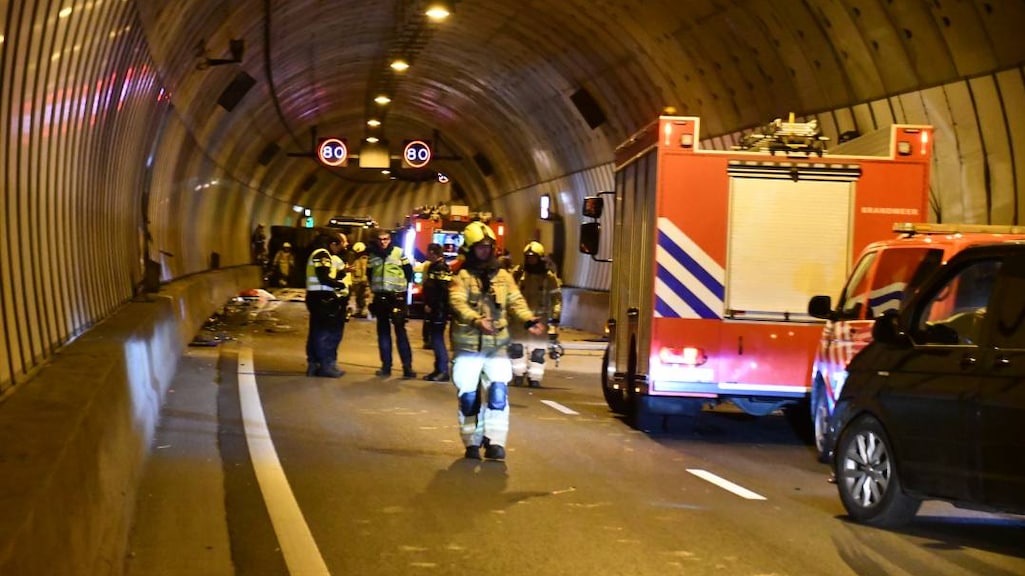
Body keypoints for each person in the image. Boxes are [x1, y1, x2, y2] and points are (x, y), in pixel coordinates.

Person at [449, 221, 544, 460]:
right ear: (470, 249)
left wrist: (528, 320)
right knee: (469, 396)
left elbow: (516, 301)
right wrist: (475, 320)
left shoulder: (503, 276)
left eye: (488, 246)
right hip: (468, 347)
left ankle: (495, 441)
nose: (485, 250)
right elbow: (457, 302)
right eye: (480, 247)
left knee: (498, 393)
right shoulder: (461, 276)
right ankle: (471, 441)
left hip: (497, 346)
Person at [510, 241, 562, 387]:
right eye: (528, 257)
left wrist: (555, 318)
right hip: (519, 321)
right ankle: (518, 375)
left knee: (538, 352)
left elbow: (556, 298)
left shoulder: (549, 278)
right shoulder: (518, 274)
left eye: (533, 257)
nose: (530, 260)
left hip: (541, 321)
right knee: (517, 349)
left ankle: (535, 377)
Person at [367, 229, 416, 378]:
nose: (383, 242)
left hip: (397, 298)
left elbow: (409, 273)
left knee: (401, 333)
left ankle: (407, 368)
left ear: (390, 239)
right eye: (380, 239)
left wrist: (402, 293)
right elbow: (369, 274)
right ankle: (386, 367)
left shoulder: (399, 253)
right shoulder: (372, 255)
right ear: (376, 240)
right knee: (383, 334)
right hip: (381, 298)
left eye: (386, 239)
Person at [304, 232, 349, 378]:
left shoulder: (320, 254)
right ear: (333, 244)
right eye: (339, 246)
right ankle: (325, 366)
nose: (340, 250)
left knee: (316, 331)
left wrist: (341, 273)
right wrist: (339, 285)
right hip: (321, 297)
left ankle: (313, 364)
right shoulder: (322, 254)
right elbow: (323, 277)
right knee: (324, 333)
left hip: (317, 297)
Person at [422, 243, 452, 382]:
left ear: (433, 253)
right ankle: (437, 369)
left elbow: (442, 291)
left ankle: (443, 370)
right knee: (434, 339)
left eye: (428, 252)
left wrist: (434, 306)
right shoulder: (435, 267)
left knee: (438, 339)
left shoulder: (440, 268)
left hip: (439, 310)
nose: (426, 255)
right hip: (435, 309)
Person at [349, 241, 370, 317]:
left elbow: (364, 270)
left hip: (361, 281)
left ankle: (362, 311)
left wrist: (364, 280)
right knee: (359, 297)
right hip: (357, 281)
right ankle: (359, 310)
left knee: (362, 297)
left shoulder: (363, 259)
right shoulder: (357, 258)